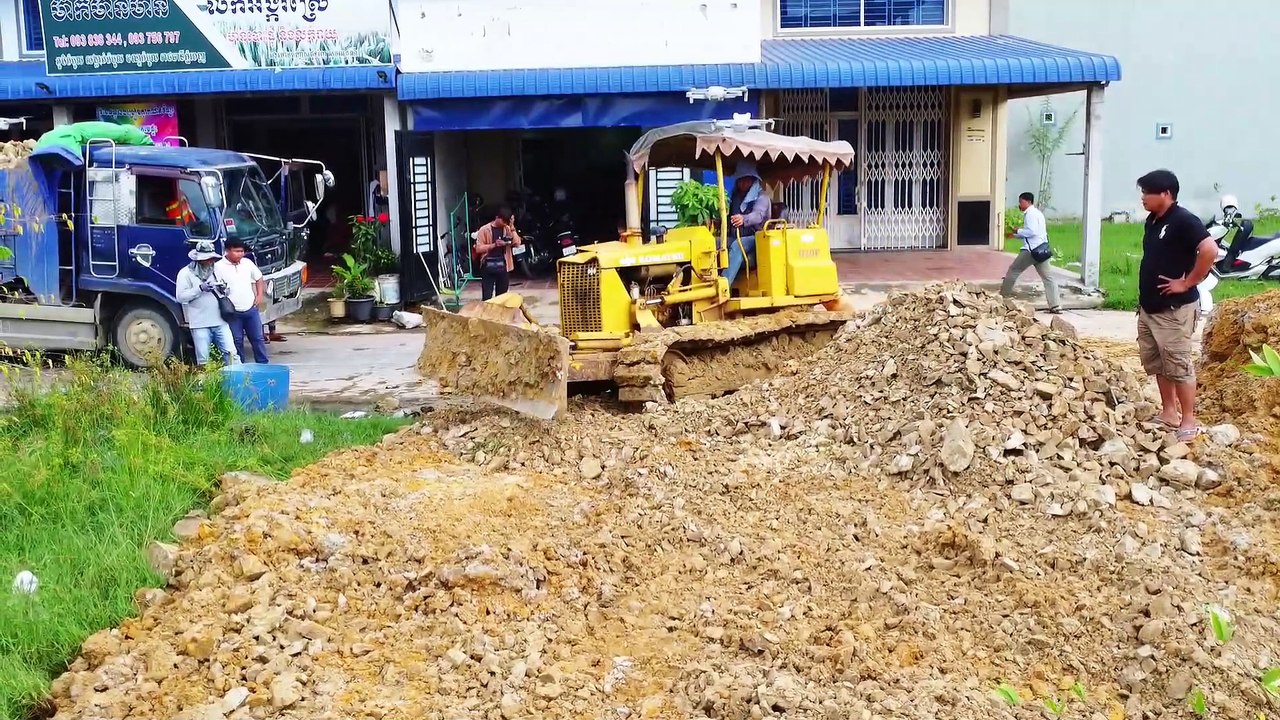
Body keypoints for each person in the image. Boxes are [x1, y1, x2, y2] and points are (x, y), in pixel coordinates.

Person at [1135, 169, 1218, 441]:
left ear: (1166, 194)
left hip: (1174, 309)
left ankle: (1189, 420)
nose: (1143, 198)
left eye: (1148, 192)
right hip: (1150, 308)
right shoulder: (1154, 220)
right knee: (1159, 363)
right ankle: (1169, 412)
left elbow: (1209, 250)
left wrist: (1188, 281)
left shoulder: (1184, 220)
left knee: (1178, 364)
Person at [175, 242, 240, 367]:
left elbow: (228, 289)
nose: (210, 261)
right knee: (203, 360)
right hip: (200, 324)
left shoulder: (217, 270)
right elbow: (180, 297)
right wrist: (199, 288)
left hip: (220, 321)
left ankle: (237, 381)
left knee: (232, 354)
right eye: (207, 259)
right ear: (198, 259)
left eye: (212, 258)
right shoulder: (185, 273)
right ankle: (204, 385)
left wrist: (224, 289)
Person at [1000, 191, 1062, 313]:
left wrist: (1018, 231)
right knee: (1048, 278)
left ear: (1027, 202)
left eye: (1021, 202)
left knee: (1014, 270)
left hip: (1031, 250)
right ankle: (1055, 305)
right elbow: (1036, 233)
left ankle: (1002, 297)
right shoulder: (1038, 214)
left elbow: (1031, 231)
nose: (1019, 204)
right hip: (1041, 250)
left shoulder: (1030, 214)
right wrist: (1016, 235)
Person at [215, 239, 270, 364]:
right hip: (233, 313)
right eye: (237, 251)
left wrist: (259, 295)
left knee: (258, 339)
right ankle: (241, 368)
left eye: (242, 251)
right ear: (227, 251)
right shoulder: (218, 267)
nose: (240, 254)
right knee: (237, 341)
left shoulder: (247, 263)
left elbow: (259, 278)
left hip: (251, 309)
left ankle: (263, 366)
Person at [722, 160, 771, 290]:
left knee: (738, 245)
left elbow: (758, 215)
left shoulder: (762, 197)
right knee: (713, 243)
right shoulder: (735, 196)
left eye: (745, 179)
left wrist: (744, 219)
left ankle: (723, 286)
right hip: (736, 236)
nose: (741, 183)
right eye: (739, 180)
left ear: (752, 180)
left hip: (757, 238)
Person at [472, 206, 523, 300]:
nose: (504, 223)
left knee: (502, 297)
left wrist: (512, 227)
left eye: (506, 221)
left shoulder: (507, 228)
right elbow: (478, 248)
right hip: (488, 265)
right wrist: (494, 245)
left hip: (504, 265)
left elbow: (517, 243)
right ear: (497, 217)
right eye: (503, 221)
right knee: (487, 297)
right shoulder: (484, 230)